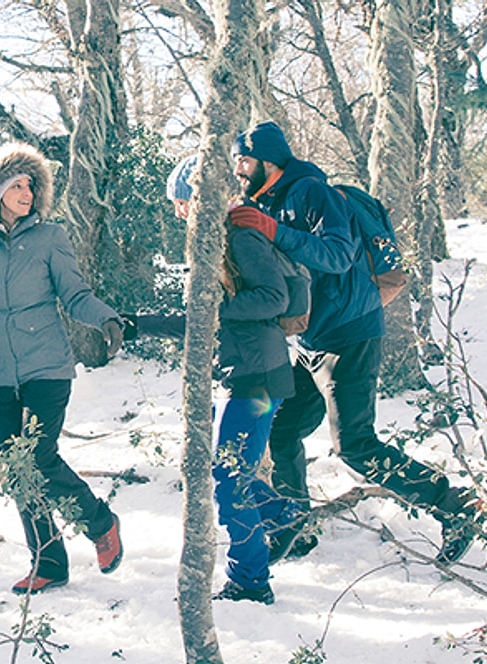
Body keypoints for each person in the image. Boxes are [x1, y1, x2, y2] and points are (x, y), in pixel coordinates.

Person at [227, 121, 479, 565]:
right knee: (283, 431)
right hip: (312, 340)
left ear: (269, 160)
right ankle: (295, 528)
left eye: (244, 161)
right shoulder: (268, 201)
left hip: (350, 333)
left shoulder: (311, 192)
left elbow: (338, 256)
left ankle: (454, 506)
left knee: (355, 445)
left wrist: (272, 229)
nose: (238, 170)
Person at [0, 142, 126, 595]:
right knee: (17, 469)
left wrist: (106, 318)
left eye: (31, 186)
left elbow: (75, 294)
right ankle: (48, 564)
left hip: (47, 367)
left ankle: (100, 523)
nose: (26, 193)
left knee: (39, 457)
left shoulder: (50, 238)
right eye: (17, 186)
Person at [128, 155, 300, 604]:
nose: (177, 211)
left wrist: (216, 311)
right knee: (229, 472)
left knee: (230, 481)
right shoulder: (215, 243)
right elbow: (198, 320)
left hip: (259, 377)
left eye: (180, 201)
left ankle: (250, 581)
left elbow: (274, 297)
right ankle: (284, 516)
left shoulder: (240, 237)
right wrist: (138, 325)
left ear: (197, 198)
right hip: (246, 374)